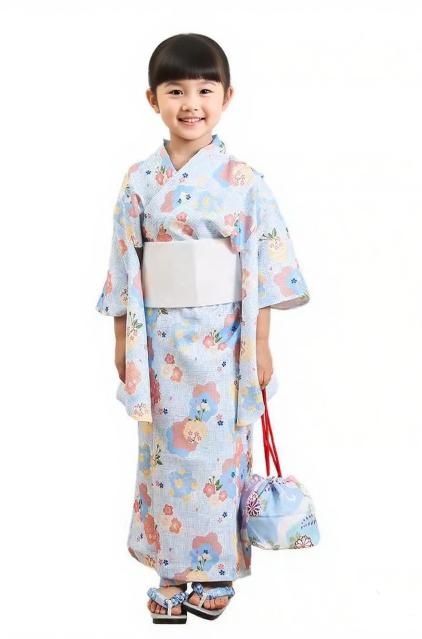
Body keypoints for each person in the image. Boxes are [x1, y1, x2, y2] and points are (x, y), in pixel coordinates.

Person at [95, 33, 310, 623]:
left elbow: (264, 260)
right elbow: (124, 261)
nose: (191, 104)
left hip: (225, 341)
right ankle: (170, 568)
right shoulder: (139, 180)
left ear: (226, 97)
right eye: (175, 91)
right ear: (152, 99)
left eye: (204, 90)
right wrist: (122, 340)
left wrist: (261, 342)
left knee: (218, 455)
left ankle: (215, 569)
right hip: (160, 342)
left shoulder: (243, 180)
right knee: (163, 454)